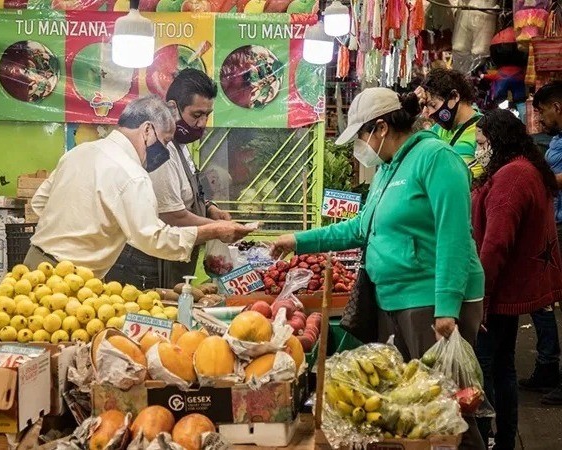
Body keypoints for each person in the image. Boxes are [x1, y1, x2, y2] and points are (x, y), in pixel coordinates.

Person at [271, 87, 485, 450]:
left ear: (382, 127)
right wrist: (298, 240)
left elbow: (455, 236)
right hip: (392, 299)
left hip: (429, 301)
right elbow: (359, 229)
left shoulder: (437, 158)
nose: (360, 146)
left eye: (360, 135)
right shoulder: (388, 169)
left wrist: (447, 307)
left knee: (444, 411)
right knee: (407, 408)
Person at [24, 95, 253, 278]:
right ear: (146, 130)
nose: (164, 152)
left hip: (32, 265)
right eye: (164, 141)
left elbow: (39, 203)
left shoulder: (78, 152)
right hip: (71, 279)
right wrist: (212, 230)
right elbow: (152, 238)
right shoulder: (133, 175)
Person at [471, 109, 562, 449]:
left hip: (501, 291)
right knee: (503, 366)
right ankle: (505, 440)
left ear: (498, 142)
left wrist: (481, 298)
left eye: (482, 143)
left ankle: (487, 440)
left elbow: (496, 244)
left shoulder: (512, 177)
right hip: (511, 288)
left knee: (485, 368)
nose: (480, 151)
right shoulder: (527, 167)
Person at [107, 69, 231, 288]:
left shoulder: (181, 146)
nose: (202, 123)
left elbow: (186, 192)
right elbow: (172, 215)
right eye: (196, 115)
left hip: (171, 256)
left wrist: (210, 208)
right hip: (147, 264)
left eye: (207, 115)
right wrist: (217, 228)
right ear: (173, 108)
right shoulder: (161, 150)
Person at [518, 81, 562, 405]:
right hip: (554, 223)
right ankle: (548, 365)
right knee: (541, 296)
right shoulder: (557, 138)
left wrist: (535, 179)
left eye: (542, 111)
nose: (541, 119)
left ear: (556, 106)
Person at [414, 68, 483, 178]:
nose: (428, 114)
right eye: (426, 107)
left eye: (433, 105)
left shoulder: (483, 131)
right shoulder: (437, 130)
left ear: (454, 97)